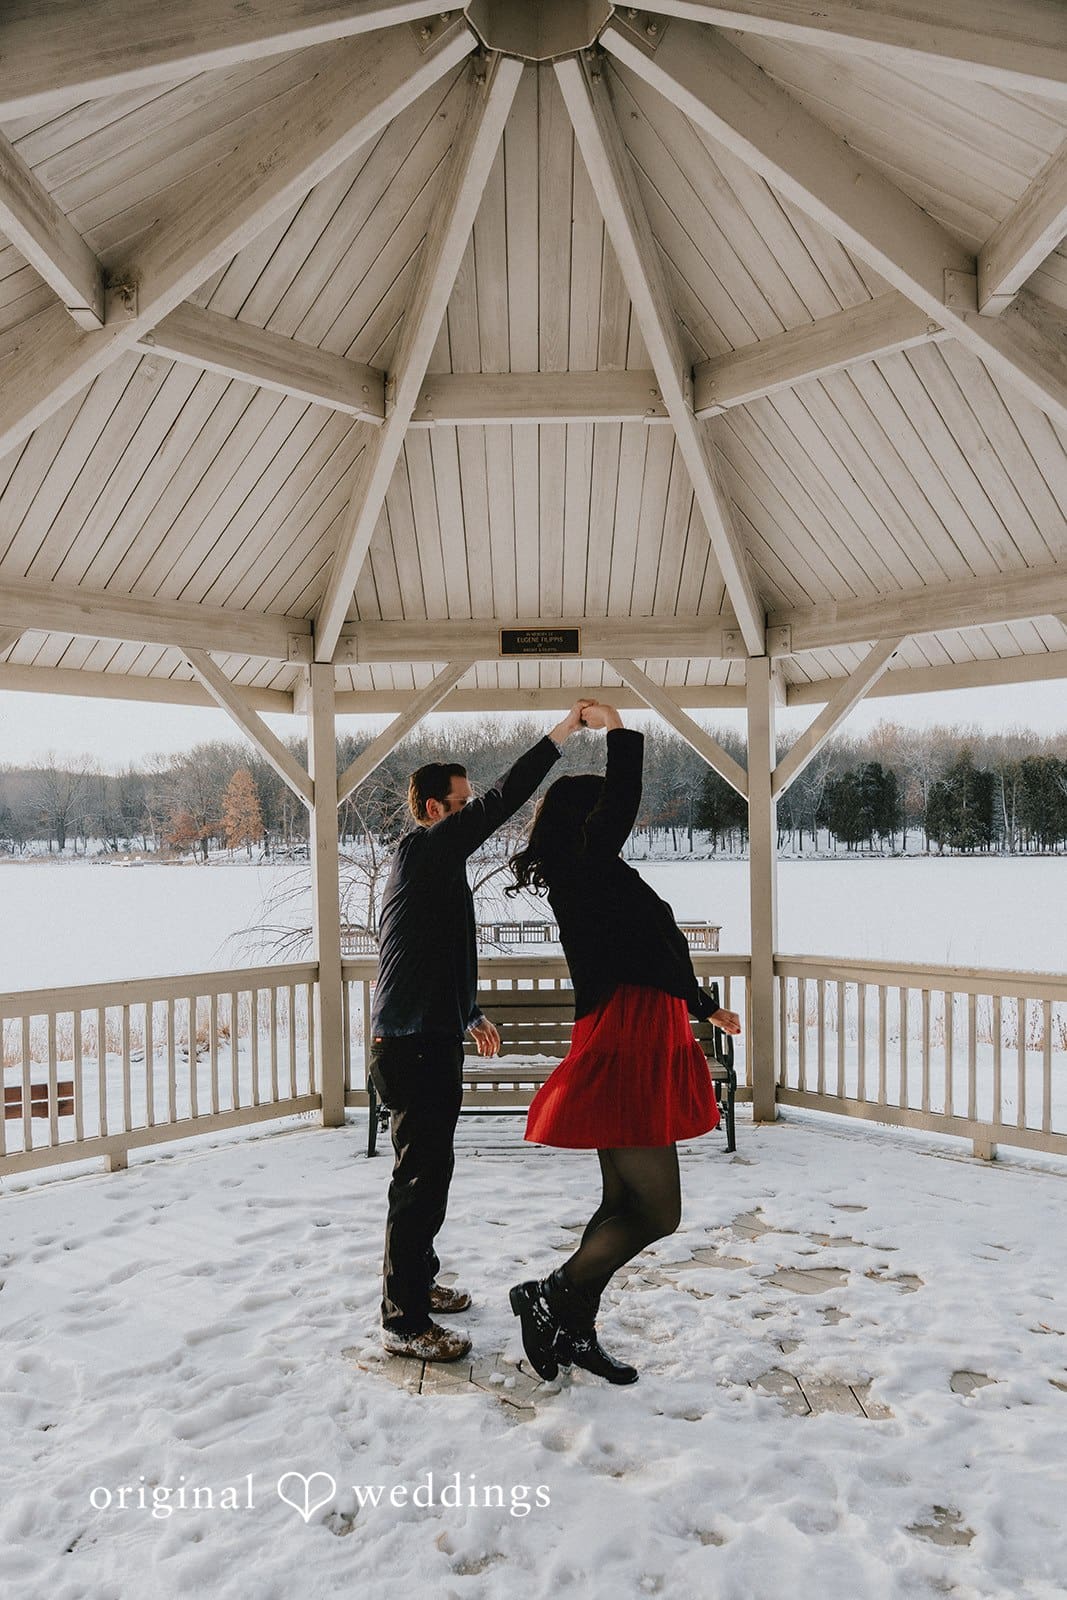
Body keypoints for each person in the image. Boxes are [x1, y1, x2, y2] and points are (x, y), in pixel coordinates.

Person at [507, 703, 742, 1385]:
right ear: (587, 821)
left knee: (621, 1206)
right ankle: (547, 1295)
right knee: (658, 1212)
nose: (619, 819)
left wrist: (705, 1007)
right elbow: (622, 803)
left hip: (645, 1031)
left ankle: (573, 1327)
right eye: (604, 811)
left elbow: (653, 952)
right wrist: (618, 733)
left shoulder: (597, 878)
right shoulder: (584, 865)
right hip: (627, 1039)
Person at [368, 702, 593, 1363]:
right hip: (409, 1047)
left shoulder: (433, 868)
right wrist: (564, 731)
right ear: (435, 809)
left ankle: (419, 1284)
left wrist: (469, 1013)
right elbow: (506, 795)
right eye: (460, 803)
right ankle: (403, 1323)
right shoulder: (425, 849)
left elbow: (429, 953)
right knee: (417, 1183)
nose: (472, 814)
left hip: (425, 1036)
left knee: (429, 1176)